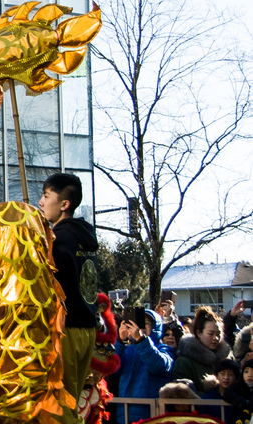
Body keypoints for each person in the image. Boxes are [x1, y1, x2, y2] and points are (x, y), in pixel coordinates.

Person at [38, 172, 99, 424]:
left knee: (60, 405)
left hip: (67, 329)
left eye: (46, 196)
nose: (40, 202)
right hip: (86, 328)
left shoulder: (59, 238)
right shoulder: (84, 237)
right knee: (70, 401)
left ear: (64, 204)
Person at [112, 308, 175, 423]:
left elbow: (159, 366)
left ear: (156, 327)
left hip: (151, 413)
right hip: (124, 412)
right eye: (138, 323)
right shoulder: (127, 349)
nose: (141, 327)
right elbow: (112, 368)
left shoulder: (164, 348)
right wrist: (120, 341)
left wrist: (141, 340)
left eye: (146, 324)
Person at [172, 306, 233, 391]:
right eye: (211, 334)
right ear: (199, 333)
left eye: (218, 334)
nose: (216, 338)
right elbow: (183, 394)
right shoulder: (184, 361)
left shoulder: (227, 358)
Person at [223, 358, 253, 424]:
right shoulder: (239, 386)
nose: (250, 375)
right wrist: (238, 400)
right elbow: (228, 393)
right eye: (246, 372)